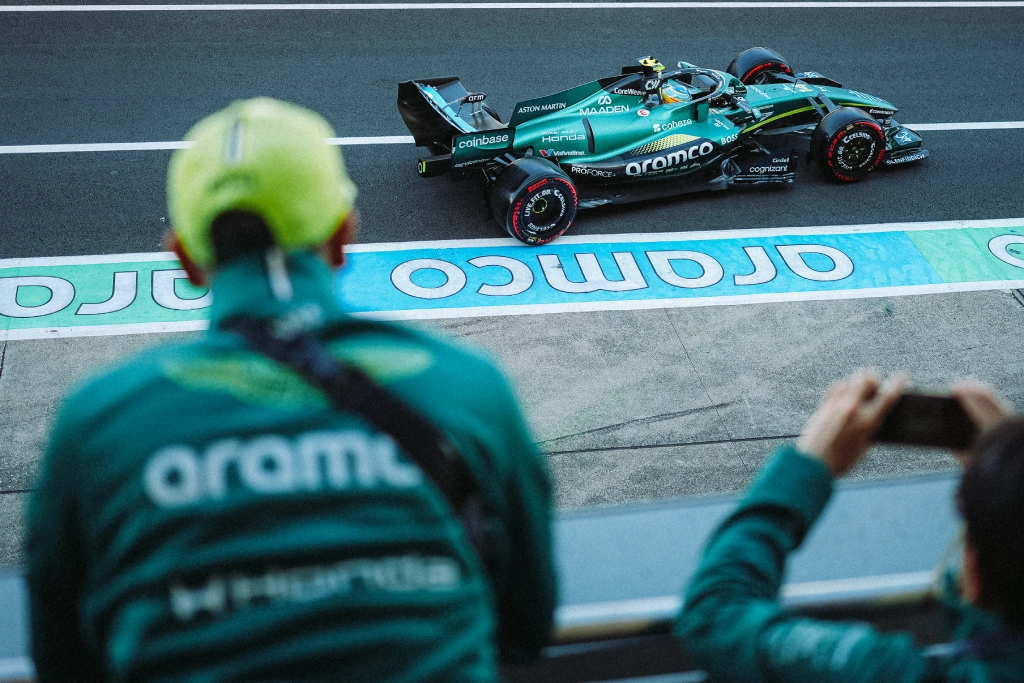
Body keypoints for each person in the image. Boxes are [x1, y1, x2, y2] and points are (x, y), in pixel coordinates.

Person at [26, 98, 555, 682]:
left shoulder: (96, 422)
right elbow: (525, 625)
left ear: (184, 259)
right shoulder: (468, 387)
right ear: (344, 235)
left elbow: (64, 658)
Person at [677, 370, 1024, 682]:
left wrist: (807, 466)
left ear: (974, 574)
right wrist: (1008, 480)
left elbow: (716, 616)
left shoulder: (889, 673)